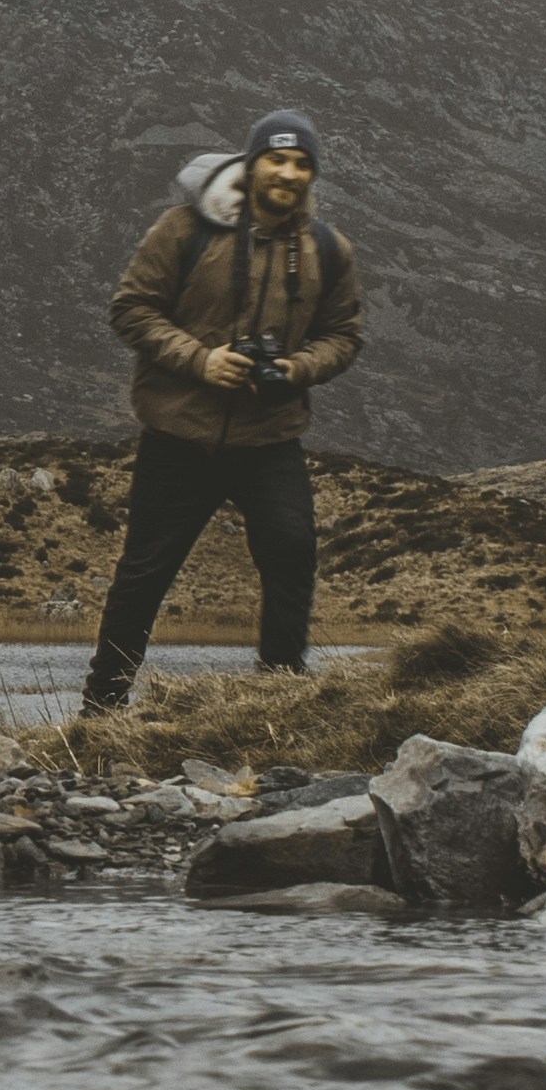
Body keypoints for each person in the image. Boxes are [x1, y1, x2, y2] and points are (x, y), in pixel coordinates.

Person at [86, 108, 364, 715]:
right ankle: (100, 711)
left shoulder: (326, 249)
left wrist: (298, 369)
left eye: (302, 164)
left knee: (292, 554)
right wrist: (201, 360)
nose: (289, 173)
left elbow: (343, 335)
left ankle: (277, 705)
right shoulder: (184, 230)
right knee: (144, 574)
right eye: (278, 158)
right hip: (178, 432)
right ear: (252, 162)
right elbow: (131, 309)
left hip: (271, 436)